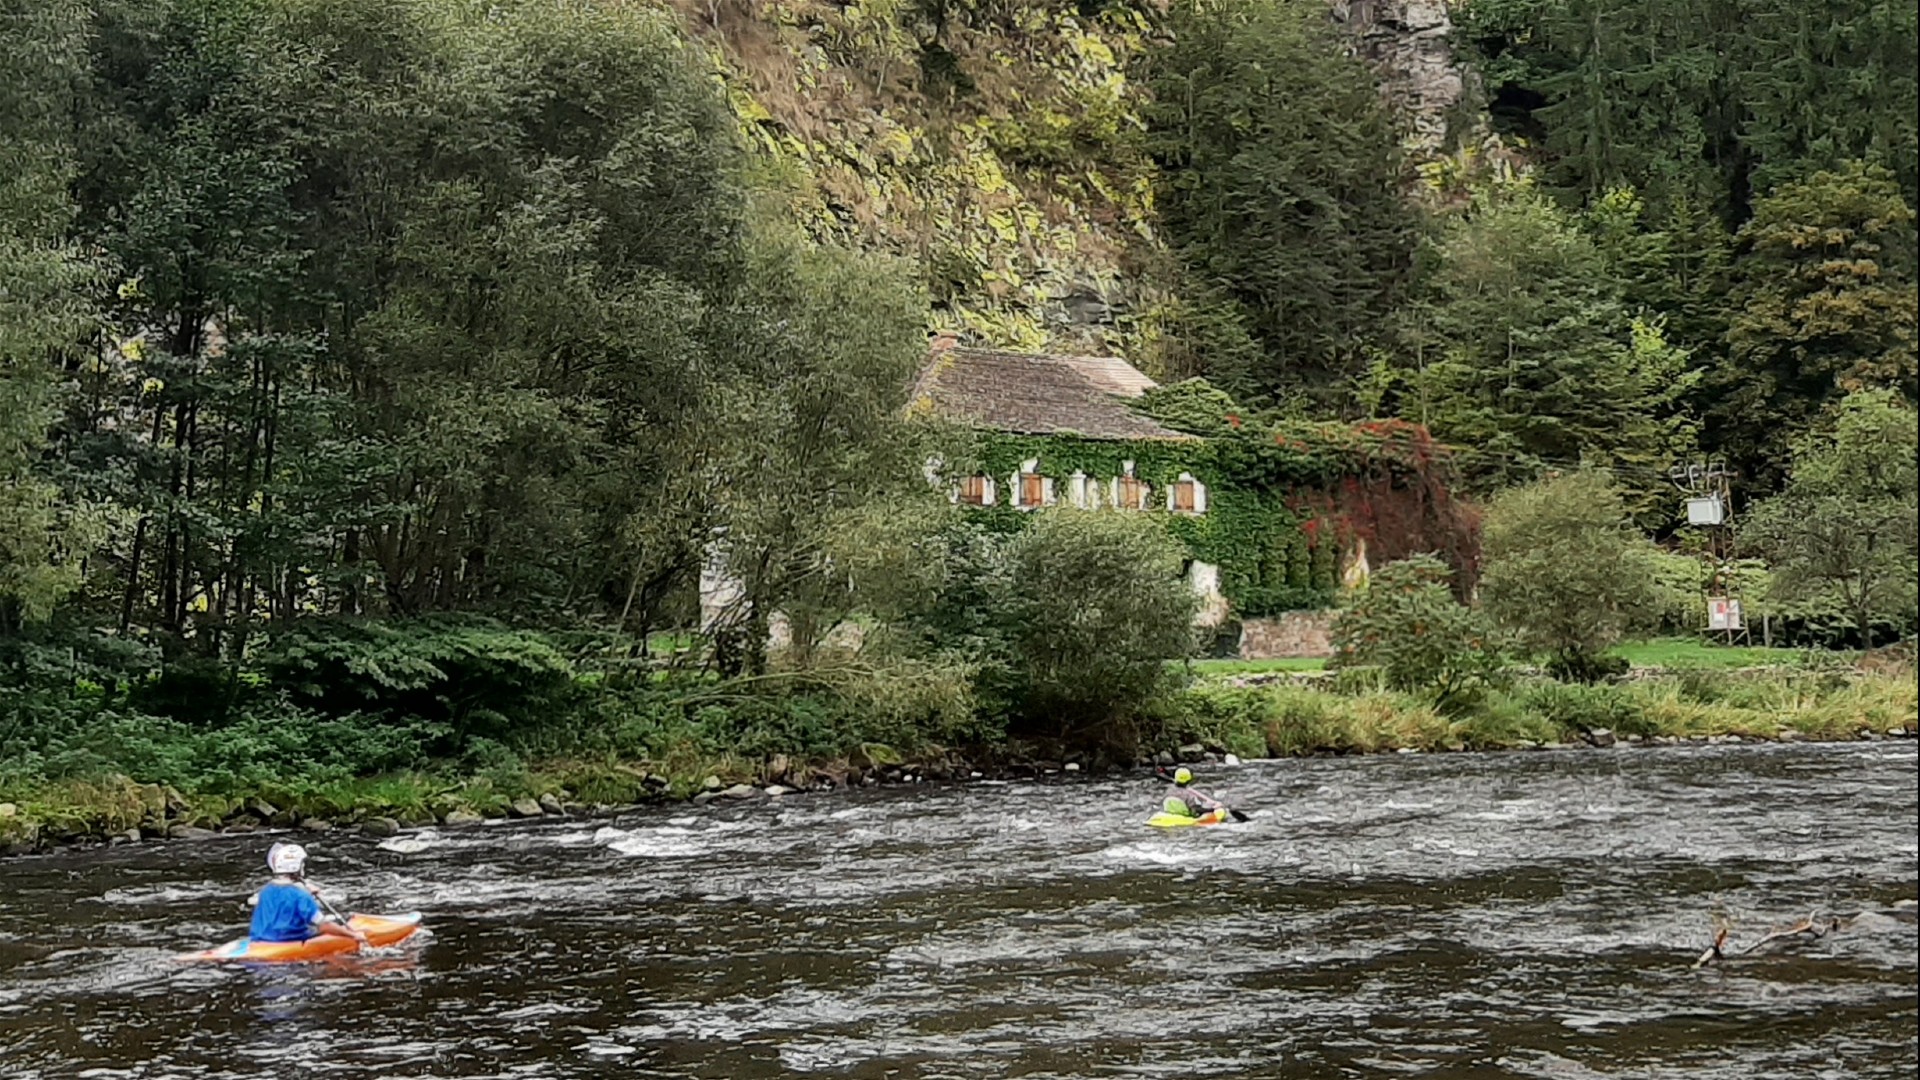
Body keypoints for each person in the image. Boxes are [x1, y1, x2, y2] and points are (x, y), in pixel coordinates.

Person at [248, 843, 367, 946]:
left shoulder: (266, 890)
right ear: (297, 866)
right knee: (327, 923)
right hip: (287, 941)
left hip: (261, 939)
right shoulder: (300, 895)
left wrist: (307, 894)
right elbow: (324, 926)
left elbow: (283, 901)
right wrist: (353, 935)